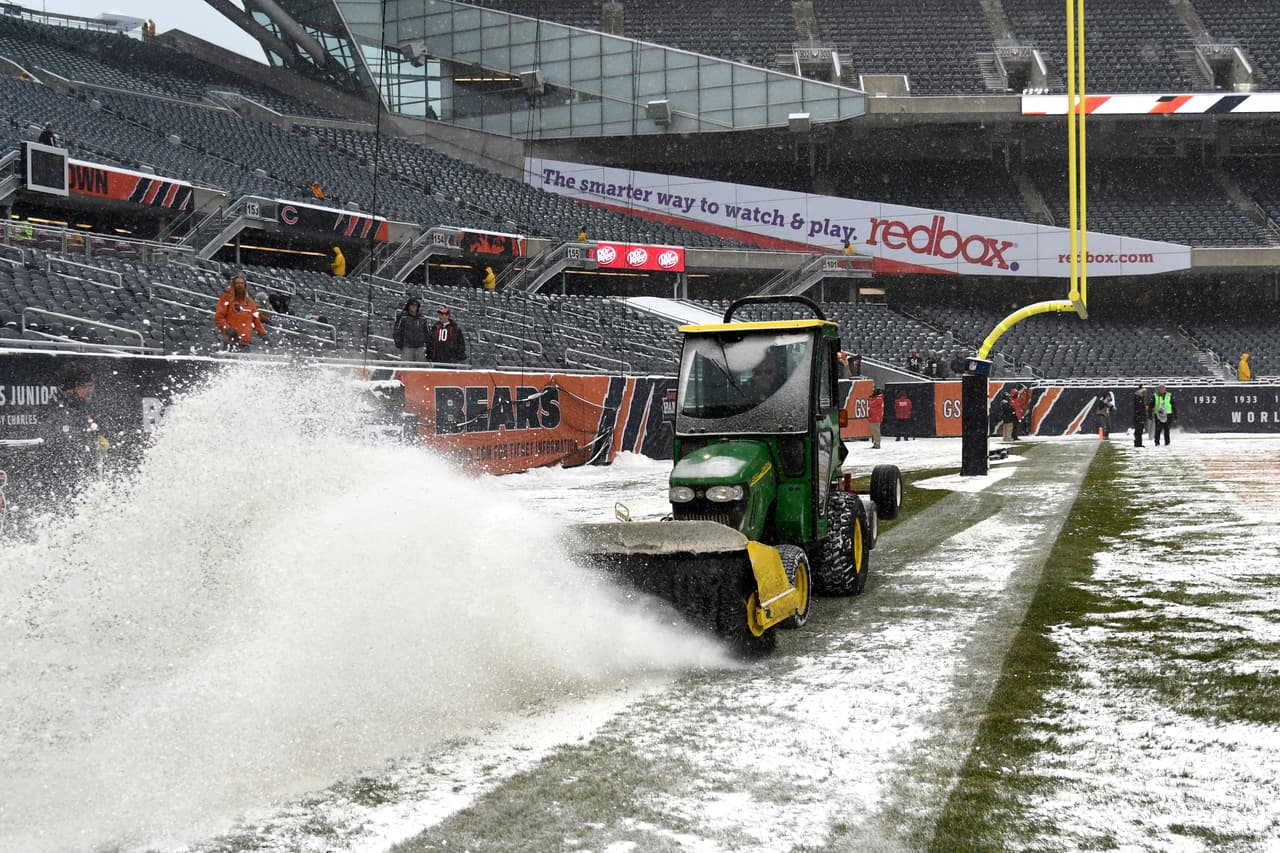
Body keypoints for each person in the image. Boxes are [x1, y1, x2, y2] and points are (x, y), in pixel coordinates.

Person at [30, 363, 110, 507]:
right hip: (64, 491)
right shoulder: (60, 413)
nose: (90, 390)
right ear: (71, 389)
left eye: (91, 386)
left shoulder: (83, 409)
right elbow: (67, 456)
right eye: (85, 386)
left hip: (83, 486)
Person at [215, 273, 267, 350]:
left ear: (245, 285)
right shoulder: (226, 298)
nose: (240, 285)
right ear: (233, 285)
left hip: (244, 342)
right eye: (237, 283)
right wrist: (227, 329)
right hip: (230, 341)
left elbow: (256, 320)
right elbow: (219, 317)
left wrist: (263, 334)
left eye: (242, 283)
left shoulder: (249, 302)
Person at [392, 298, 431, 362]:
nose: (413, 307)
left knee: (420, 367)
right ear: (408, 306)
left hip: (420, 347)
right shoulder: (403, 317)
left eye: (415, 306)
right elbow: (396, 331)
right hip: (407, 347)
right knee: (407, 367)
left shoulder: (422, 318)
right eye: (412, 305)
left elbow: (427, 332)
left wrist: (426, 343)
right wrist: (399, 344)